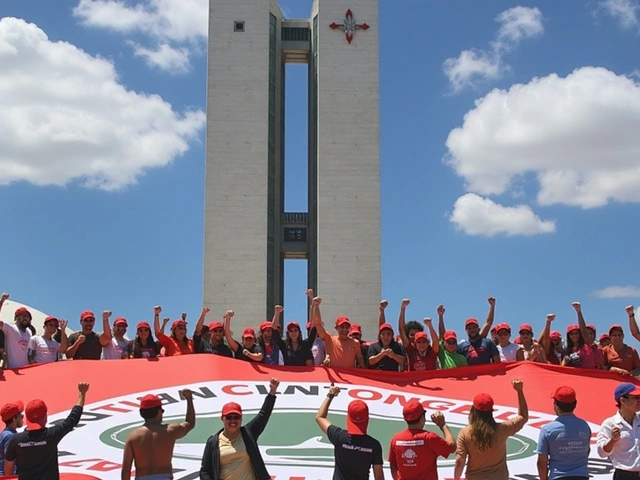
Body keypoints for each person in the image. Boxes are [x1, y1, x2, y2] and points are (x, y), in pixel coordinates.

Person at [4, 382, 89, 479]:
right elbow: (73, 419)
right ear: (45, 416)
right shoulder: (51, 435)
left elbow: (9, 468)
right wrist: (82, 394)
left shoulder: (16, 439)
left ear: (27, 417)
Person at [199, 378, 280, 480]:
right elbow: (205, 471)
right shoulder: (213, 442)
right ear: (222, 419)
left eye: (236, 417)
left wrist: (272, 393)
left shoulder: (248, 433)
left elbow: (263, 414)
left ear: (241, 419)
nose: (233, 421)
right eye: (229, 417)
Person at [454, 379, 528, 480]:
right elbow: (523, 416)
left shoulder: (465, 433)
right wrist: (519, 391)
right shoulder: (502, 429)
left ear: (473, 411)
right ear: (491, 411)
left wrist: (456, 478)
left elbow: (460, 461)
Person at [121, 389, 195, 480]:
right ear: (159, 412)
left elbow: (126, 469)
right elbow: (190, 423)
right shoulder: (169, 431)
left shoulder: (133, 437)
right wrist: (189, 399)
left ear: (141, 413)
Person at [315, 384, 384, 480]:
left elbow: (320, 417)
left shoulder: (339, 436)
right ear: (367, 418)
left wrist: (330, 395)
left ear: (348, 418)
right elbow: (379, 477)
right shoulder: (374, 445)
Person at [388, 399, 455, 480]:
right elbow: (452, 447)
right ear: (422, 418)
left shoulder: (396, 440)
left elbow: (393, 466)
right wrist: (443, 425)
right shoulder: (430, 438)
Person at [535, 386, 591, 480]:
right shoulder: (584, 426)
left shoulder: (548, 430)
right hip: (582, 476)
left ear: (556, 405)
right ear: (575, 404)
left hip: (558, 476)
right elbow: (587, 451)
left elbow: (541, 462)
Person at [596, 382, 640, 477]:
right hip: (624, 475)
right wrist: (612, 440)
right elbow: (601, 453)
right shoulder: (610, 424)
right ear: (623, 401)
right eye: (636, 398)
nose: (639, 400)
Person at [313, 296, 365, 368]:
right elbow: (317, 324)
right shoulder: (330, 339)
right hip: (335, 377)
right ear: (336, 328)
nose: (344, 330)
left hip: (350, 376)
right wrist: (316, 306)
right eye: (342, 327)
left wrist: (365, 372)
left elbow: (360, 359)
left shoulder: (355, 343)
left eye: (347, 327)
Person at [398, 299, 438, 371]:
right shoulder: (411, 351)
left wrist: (430, 326)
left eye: (424, 342)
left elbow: (435, 341)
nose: (421, 344)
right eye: (419, 342)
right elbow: (401, 330)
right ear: (415, 344)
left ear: (428, 342)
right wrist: (402, 308)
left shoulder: (431, 353)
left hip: (430, 382)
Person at [0, 293, 33, 368]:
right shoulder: (10, 328)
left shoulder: (29, 332)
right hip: (12, 369)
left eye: (28, 317)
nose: (26, 318)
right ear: (17, 318)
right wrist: (2, 301)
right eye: (23, 316)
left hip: (26, 369)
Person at [569, 302, 604, 369]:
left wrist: (579, 312)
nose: (589, 335)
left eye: (591, 333)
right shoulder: (578, 349)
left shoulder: (599, 349)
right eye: (587, 333)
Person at [0, 401, 24, 475]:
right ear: (14, 418)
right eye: (20, 415)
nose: (22, 416)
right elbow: (8, 463)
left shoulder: (5, 434)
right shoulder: (10, 437)